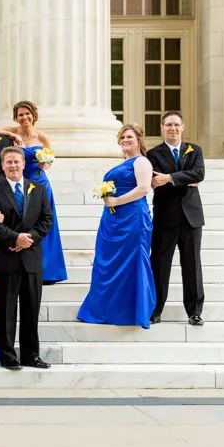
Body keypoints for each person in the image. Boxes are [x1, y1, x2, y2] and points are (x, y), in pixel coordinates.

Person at [78, 125, 158, 327]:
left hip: (132, 219)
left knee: (131, 261)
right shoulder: (124, 162)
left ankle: (131, 311)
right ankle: (106, 309)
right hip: (113, 220)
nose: (125, 139)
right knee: (109, 262)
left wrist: (116, 201)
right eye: (122, 137)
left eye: (129, 136)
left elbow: (143, 189)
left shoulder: (141, 162)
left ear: (139, 139)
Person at [0, 144, 51, 368]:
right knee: (6, 310)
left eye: (16, 161)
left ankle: (31, 355)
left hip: (31, 257)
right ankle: (8, 355)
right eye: (9, 162)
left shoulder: (38, 189)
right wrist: (15, 239)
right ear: (2, 166)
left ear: (24, 163)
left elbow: (46, 220)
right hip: (7, 258)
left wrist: (27, 239)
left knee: (32, 310)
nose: (13, 165)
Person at [147, 112, 206, 326]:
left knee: (192, 265)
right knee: (160, 265)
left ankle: (194, 311)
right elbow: (154, 180)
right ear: (162, 127)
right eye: (168, 125)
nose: (173, 128)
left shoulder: (195, 150)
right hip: (165, 217)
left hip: (191, 218)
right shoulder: (153, 154)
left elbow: (198, 174)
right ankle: (155, 310)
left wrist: (170, 178)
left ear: (183, 127)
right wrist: (183, 179)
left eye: (176, 125)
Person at [8, 102, 68, 285]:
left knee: (43, 225)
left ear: (33, 116)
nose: (24, 118)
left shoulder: (42, 138)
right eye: (20, 115)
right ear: (15, 117)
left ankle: (46, 270)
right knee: (20, 224)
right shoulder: (12, 132)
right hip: (19, 183)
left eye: (27, 114)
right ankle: (20, 268)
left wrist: (45, 164)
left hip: (40, 183)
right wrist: (12, 135)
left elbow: (49, 161)